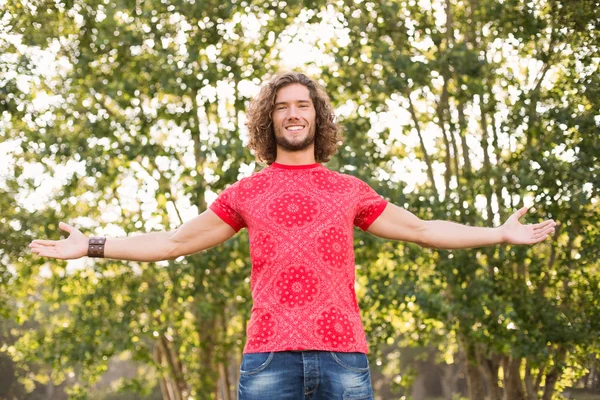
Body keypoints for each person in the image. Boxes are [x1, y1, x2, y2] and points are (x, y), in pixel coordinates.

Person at [29, 72, 556, 399]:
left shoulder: (348, 190)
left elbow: (421, 229)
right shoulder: (247, 193)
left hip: (343, 357)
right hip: (268, 360)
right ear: (269, 121)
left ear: (317, 116)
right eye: (282, 106)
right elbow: (171, 243)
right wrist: (92, 245)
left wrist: (500, 234)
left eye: (302, 104)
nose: (293, 112)